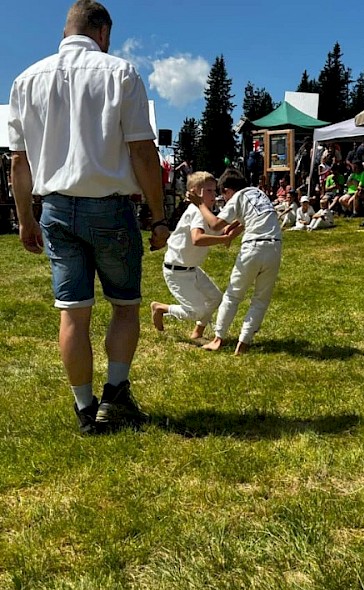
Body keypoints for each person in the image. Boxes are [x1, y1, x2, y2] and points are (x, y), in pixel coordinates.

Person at [8, 0, 168, 435]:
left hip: (56, 209)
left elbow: (19, 162)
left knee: (72, 313)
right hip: (109, 207)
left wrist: (26, 220)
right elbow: (141, 151)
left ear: (65, 33)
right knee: (124, 306)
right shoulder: (120, 72)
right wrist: (158, 216)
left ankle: (85, 409)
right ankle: (115, 394)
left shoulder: (25, 80)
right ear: (102, 32)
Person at [187, 168, 282, 355]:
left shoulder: (238, 197)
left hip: (253, 247)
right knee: (260, 300)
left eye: (224, 195)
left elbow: (215, 224)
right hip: (275, 247)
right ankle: (244, 343)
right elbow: (244, 221)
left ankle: (218, 339)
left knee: (233, 295)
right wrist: (230, 234)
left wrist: (199, 204)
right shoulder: (259, 194)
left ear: (229, 190)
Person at [150, 171, 240, 339]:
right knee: (196, 312)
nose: (214, 195)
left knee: (215, 298)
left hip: (191, 269)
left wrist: (242, 221)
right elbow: (197, 239)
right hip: (177, 271)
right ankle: (161, 308)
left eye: (215, 191)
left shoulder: (205, 212)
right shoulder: (196, 212)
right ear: (193, 192)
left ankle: (197, 333)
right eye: (208, 191)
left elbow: (220, 229)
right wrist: (224, 239)